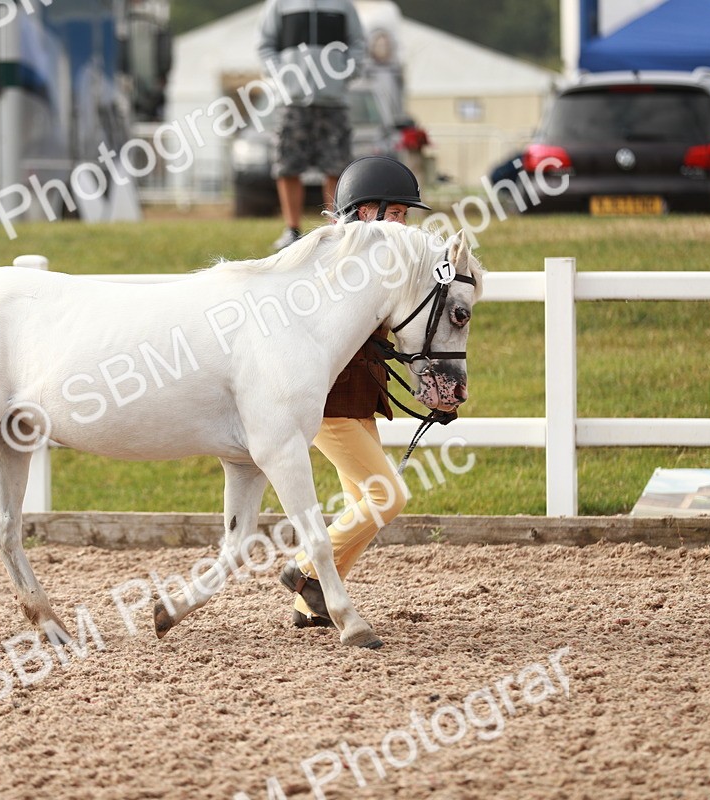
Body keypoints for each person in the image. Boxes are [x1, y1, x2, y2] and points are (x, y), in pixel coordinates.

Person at [279, 155, 431, 628]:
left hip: (358, 398)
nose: (405, 225)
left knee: (361, 503)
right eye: (398, 214)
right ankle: (304, 571)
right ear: (366, 213)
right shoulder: (338, 262)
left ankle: (310, 603)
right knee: (388, 497)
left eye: (407, 216)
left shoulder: (376, 264)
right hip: (328, 405)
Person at [256, 0, 366, 251]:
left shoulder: (342, 5)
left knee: (336, 167)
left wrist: (345, 73)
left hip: (334, 101)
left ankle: (335, 230)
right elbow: (265, 45)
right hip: (292, 102)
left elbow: (357, 43)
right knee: (287, 166)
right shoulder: (280, 4)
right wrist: (284, 77)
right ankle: (292, 231)